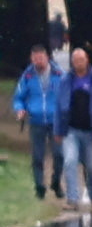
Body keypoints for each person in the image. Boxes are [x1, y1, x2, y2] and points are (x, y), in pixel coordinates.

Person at [56, 49, 92, 208]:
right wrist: (58, 130)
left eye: (81, 59)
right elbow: (59, 107)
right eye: (75, 60)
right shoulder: (65, 80)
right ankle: (72, 199)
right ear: (72, 62)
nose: (78, 63)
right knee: (70, 161)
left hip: (91, 132)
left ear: (87, 60)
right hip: (70, 130)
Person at [14, 52, 58, 203]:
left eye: (41, 58)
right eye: (35, 59)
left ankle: (56, 181)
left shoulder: (59, 74)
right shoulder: (27, 76)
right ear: (31, 59)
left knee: (59, 155)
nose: (38, 61)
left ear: (47, 58)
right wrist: (20, 109)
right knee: (37, 156)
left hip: (55, 121)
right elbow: (19, 97)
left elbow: (67, 95)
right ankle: (39, 187)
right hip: (36, 121)